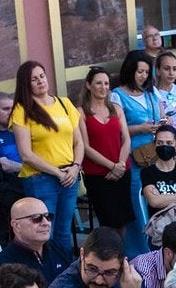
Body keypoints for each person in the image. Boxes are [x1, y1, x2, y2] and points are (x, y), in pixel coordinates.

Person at [9, 63, 84, 254]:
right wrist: (57, 173)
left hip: (69, 176)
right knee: (43, 234)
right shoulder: (22, 110)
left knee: (64, 232)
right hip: (41, 179)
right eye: (34, 79)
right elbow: (26, 154)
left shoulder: (64, 104)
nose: (40, 81)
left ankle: (63, 269)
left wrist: (75, 167)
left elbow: (79, 142)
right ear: (26, 84)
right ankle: (44, 270)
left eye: (42, 76)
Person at [78, 66, 134, 235]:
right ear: (88, 85)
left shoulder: (116, 108)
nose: (103, 87)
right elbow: (85, 147)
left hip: (122, 171)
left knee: (123, 220)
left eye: (106, 83)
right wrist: (112, 166)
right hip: (98, 175)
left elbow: (126, 139)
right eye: (98, 83)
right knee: (107, 222)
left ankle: (121, 251)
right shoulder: (81, 112)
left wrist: (120, 165)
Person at [0, 197, 70, 284]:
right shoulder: (5, 265)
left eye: (48, 216)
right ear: (16, 225)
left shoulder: (60, 250)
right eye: (36, 218)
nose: (46, 223)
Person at [112, 50, 160, 154]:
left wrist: (166, 121)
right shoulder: (117, 96)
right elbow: (115, 130)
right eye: (140, 72)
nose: (144, 76)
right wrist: (139, 128)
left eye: (147, 72)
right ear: (130, 70)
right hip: (135, 153)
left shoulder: (152, 91)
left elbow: (162, 116)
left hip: (158, 150)